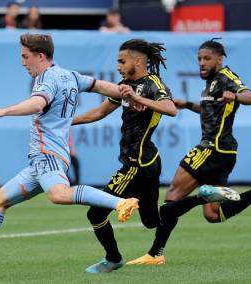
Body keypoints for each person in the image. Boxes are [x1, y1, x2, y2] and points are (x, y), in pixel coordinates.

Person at [0, 33, 140, 267]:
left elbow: (38, 103)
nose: (23, 62)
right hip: (40, 163)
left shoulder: (46, 79)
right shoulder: (69, 76)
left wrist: (3, 111)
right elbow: (100, 86)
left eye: (25, 56)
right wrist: (125, 92)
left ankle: (120, 203)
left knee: (59, 194)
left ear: (40, 56)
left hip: (48, 156)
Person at [126, 38, 251, 266]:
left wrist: (235, 95)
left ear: (219, 59)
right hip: (225, 152)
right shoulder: (212, 82)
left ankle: (156, 253)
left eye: (206, 59)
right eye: (199, 59)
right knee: (213, 215)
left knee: (172, 197)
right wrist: (186, 104)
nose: (201, 63)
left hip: (211, 148)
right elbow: (208, 110)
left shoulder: (226, 77)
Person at [71, 38, 178, 273]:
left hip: (137, 164)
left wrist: (137, 98)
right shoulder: (125, 84)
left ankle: (113, 258)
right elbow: (100, 111)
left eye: (122, 61)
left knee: (96, 212)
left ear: (138, 61)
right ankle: (194, 200)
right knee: (151, 222)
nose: (118, 66)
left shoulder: (152, 84)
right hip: (147, 162)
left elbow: (171, 109)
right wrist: (67, 122)